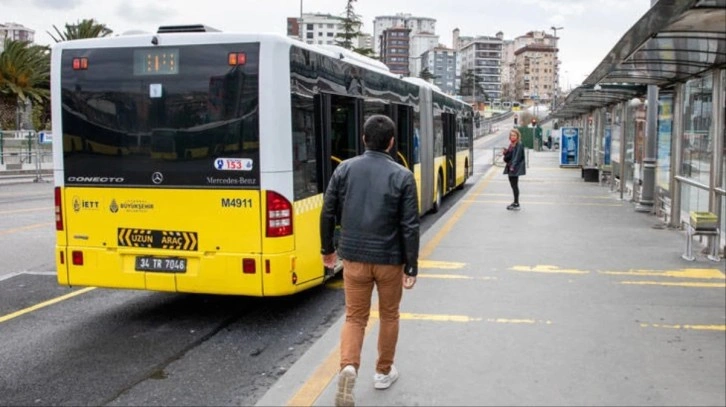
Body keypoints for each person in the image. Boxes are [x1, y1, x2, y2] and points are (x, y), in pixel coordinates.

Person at [320, 114, 419, 407]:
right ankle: (383, 372)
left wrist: (327, 249)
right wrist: (411, 265)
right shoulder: (403, 176)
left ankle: (348, 366)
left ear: (363, 139)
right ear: (391, 143)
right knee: (389, 315)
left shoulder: (344, 170)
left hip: (353, 258)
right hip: (390, 260)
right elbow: (409, 225)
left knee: (354, 316)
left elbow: (327, 212)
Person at [503, 128, 526, 210]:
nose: (512, 137)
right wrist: (506, 152)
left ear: (517, 136)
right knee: (513, 185)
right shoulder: (511, 145)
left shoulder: (519, 144)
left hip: (514, 168)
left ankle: (516, 203)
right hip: (510, 167)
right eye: (511, 135)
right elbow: (510, 156)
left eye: (514, 135)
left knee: (515, 185)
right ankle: (515, 202)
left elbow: (517, 157)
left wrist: (513, 166)